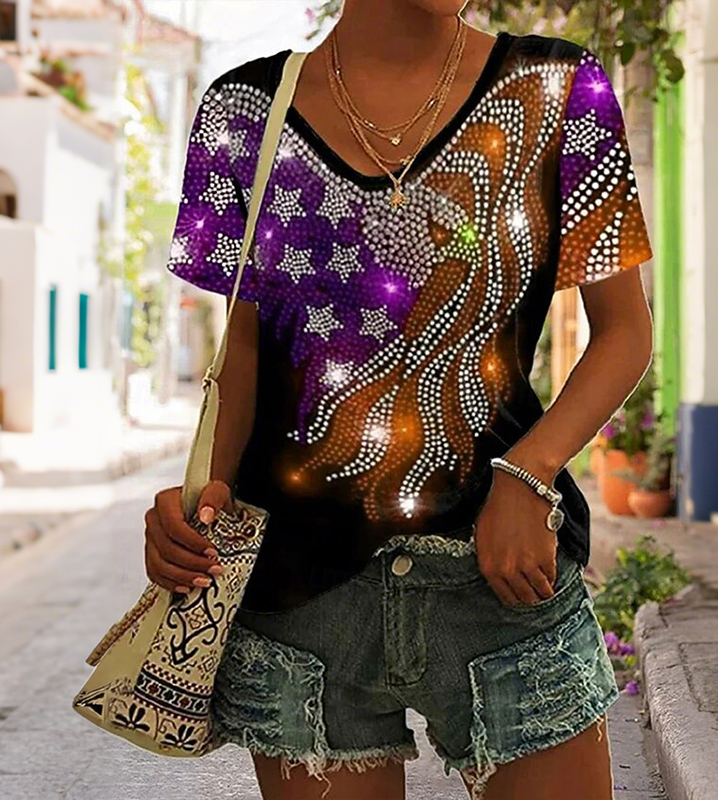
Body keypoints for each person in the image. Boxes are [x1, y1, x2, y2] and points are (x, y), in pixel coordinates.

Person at [143, 0, 654, 798]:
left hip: (504, 581)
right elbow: (243, 348)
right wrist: (196, 503)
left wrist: (530, 471)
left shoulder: (557, 87)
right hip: (301, 603)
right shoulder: (243, 110)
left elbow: (625, 333)